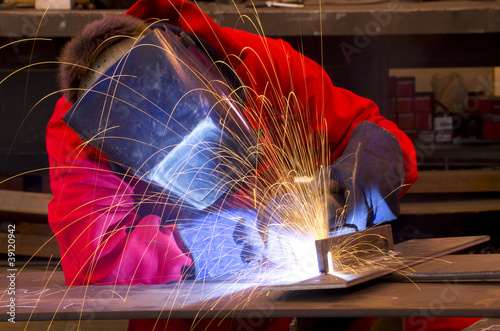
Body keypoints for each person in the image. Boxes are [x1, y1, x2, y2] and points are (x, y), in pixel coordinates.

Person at [46, 0, 418, 329]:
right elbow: (95, 257)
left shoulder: (257, 60)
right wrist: (217, 241)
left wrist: (356, 174)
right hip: (193, 319)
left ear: (198, 63)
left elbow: (371, 128)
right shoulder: (81, 130)